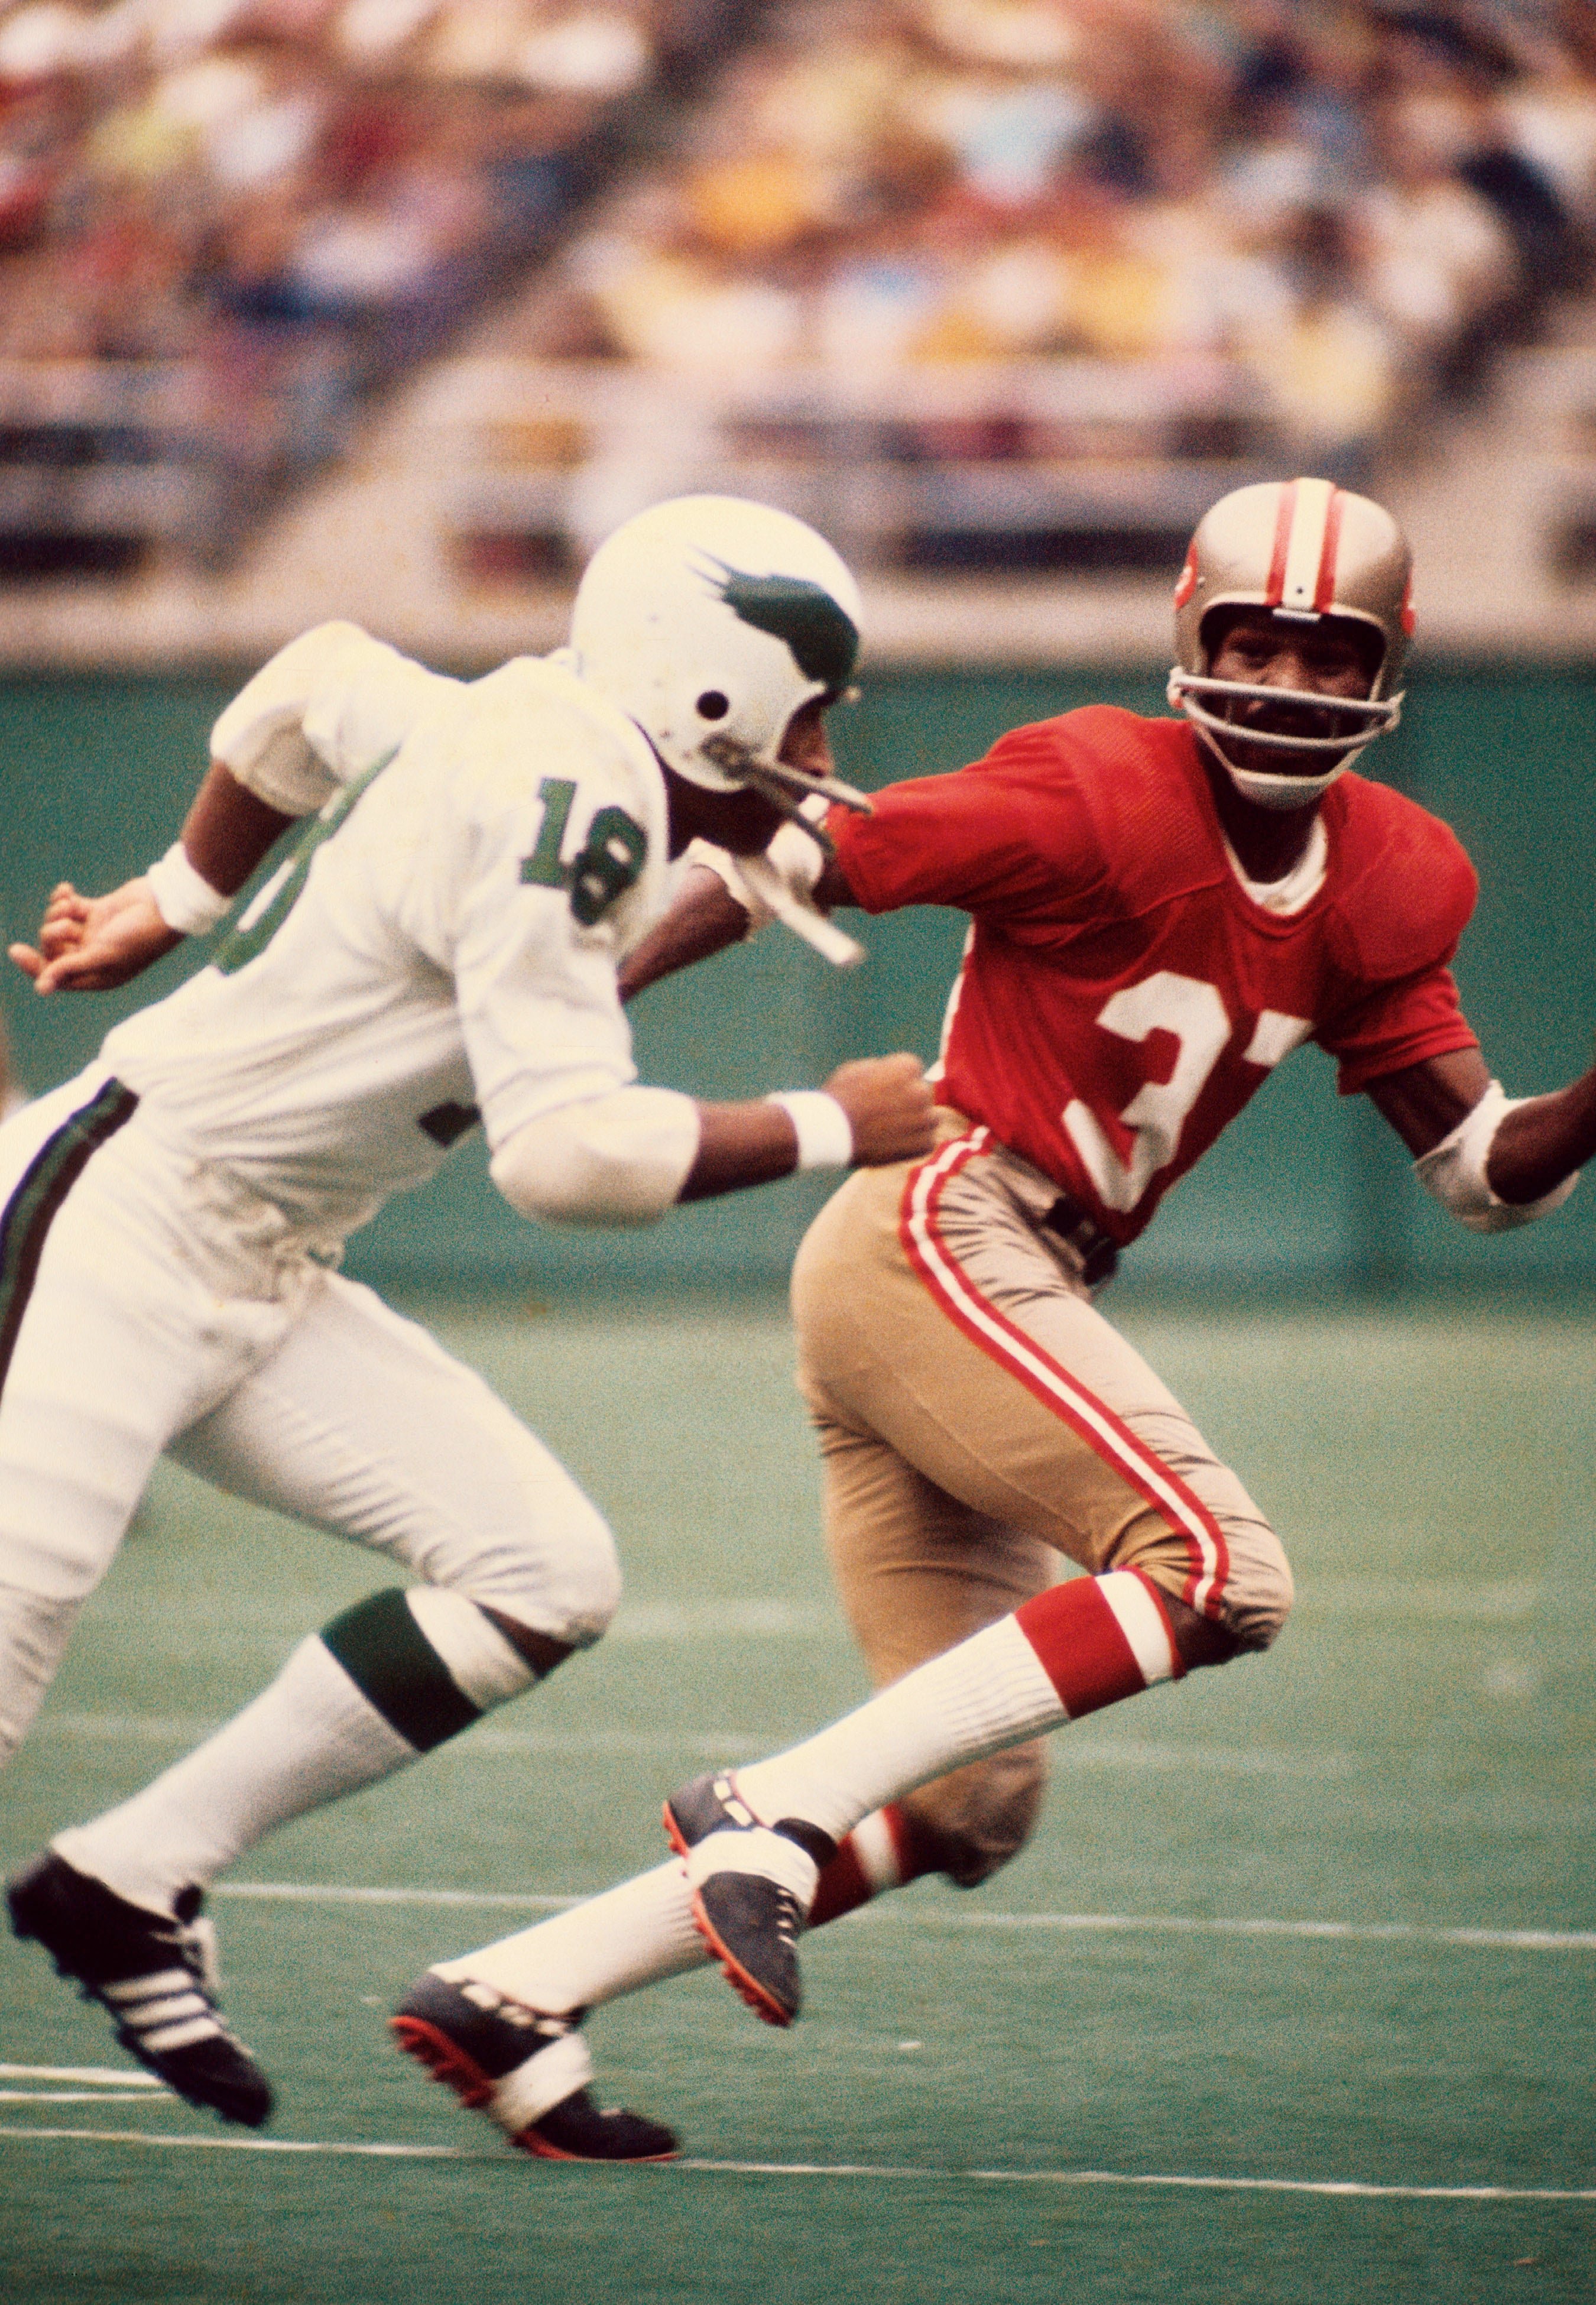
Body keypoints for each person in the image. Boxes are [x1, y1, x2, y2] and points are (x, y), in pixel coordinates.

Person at [391, 475, 1596, 2152]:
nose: (1290, 683)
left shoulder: (1396, 874)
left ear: (1385, 668)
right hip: (944, 1226)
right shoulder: (1095, 782)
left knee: (970, 1801)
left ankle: (518, 1988)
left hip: (986, 1279)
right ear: (1192, 635)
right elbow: (796, 852)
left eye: (1327, 658)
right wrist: (575, 997)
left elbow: (1483, 1176)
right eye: (1256, 642)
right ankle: (768, 1807)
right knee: (1218, 1569)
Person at [0, 493, 937, 2155]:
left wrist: (176, 894)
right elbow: (566, 1156)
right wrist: (828, 1124)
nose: (823, 738)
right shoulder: (568, 805)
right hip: (117, 1221)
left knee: (540, 1572)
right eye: (810, 699)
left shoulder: (536, 730)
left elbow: (310, 677)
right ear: (712, 689)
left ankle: (126, 1879)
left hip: (267, 1261)